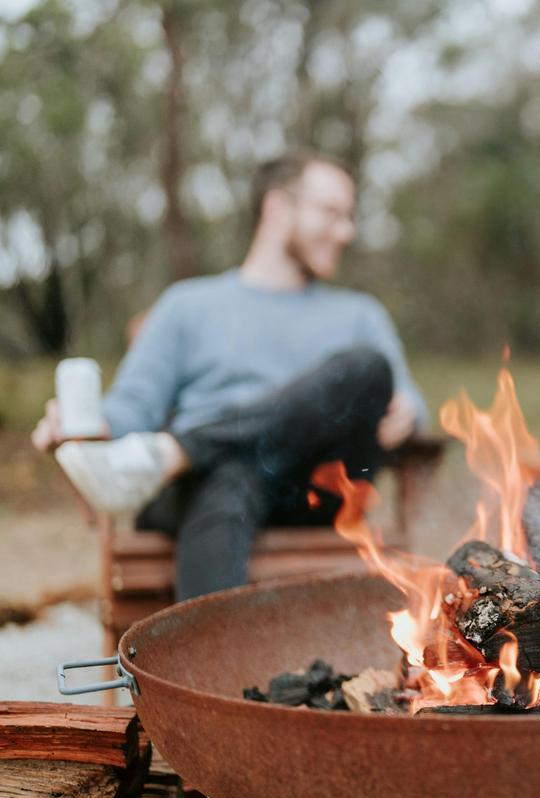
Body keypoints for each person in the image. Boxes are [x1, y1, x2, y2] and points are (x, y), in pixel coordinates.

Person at [31, 151, 428, 601]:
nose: (346, 232)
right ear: (276, 208)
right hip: (206, 494)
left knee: (367, 367)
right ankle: (214, 670)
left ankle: (179, 450)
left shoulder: (359, 315)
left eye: (348, 217)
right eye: (331, 213)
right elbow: (131, 407)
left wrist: (408, 411)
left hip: (315, 491)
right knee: (231, 473)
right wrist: (80, 424)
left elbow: (406, 401)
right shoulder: (187, 305)